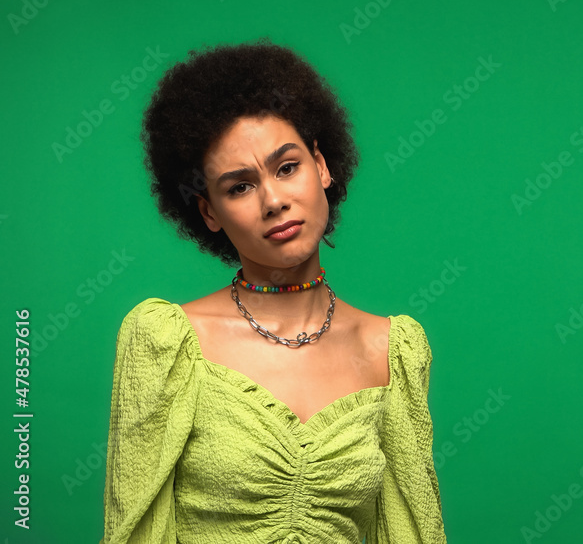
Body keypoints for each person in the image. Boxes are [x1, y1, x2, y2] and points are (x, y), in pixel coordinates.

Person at [99, 40, 447, 543]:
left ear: (322, 166)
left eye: (287, 167)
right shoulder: (168, 342)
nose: (274, 200)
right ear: (209, 213)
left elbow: (414, 532)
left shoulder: (391, 349)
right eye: (239, 186)